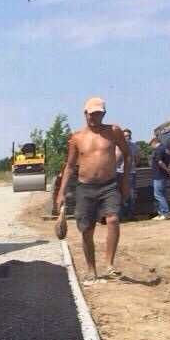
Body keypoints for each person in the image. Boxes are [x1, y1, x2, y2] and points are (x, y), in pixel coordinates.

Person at [54, 97, 132, 283]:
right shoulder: (77, 138)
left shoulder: (113, 132)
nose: (94, 117)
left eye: (98, 114)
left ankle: (110, 265)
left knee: (113, 219)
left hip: (109, 185)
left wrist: (125, 182)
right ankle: (91, 270)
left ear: (103, 114)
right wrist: (61, 192)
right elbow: (70, 166)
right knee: (87, 229)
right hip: (85, 188)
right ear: (85, 114)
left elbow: (128, 156)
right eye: (91, 114)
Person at [150, 135, 170, 220]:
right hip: (163, 175)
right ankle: (162, 213)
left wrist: (167, 170)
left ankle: (166, 213)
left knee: (158, 195)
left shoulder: (158, 149)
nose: (151, 146)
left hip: (158, 175)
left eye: (151, 144)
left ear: (154, 142)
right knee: (162, 194)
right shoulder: (165, 149)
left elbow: (160, 162)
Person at [117, 128, 136, 221]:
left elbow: (138, 158)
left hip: (131, 173)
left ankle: (130, 215)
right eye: (125, 136)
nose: (127, 138)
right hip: (120, 173)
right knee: (119, 194)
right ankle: (120, 215)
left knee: (131, 195)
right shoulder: (118, 146)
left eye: (128, 136)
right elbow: (116, 160)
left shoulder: (134, 146)